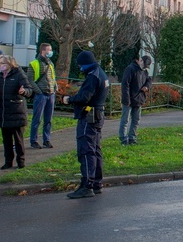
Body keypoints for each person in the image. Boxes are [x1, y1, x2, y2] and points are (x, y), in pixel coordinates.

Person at [63, 50, 109, 198]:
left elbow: (84, 97)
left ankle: (87, 185)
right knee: (95, 149)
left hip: (89, 115)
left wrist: (69, 99)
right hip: (97, 113)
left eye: (81, 66)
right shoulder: (100, 73)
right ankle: (97, 183)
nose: (80, 69)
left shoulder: (92, 77)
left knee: (86, 150)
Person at [0, 55, 34, 170]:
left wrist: (24, 91)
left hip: (16, 111)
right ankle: (8, 161)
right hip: (3, 111)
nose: (0, 65)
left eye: (2, 63)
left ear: (9, 64)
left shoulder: (19, 74)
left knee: (18, 139)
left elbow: (29, 90)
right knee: (6, 139)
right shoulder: (0, 77)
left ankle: (21, 161)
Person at [28, 43, 57, 149]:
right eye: (49, 50)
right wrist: (38, 91)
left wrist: (55, 87)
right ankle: (33, 140)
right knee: (37, 119)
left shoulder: (50, 63)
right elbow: (30, 80)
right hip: (41, 94)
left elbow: (53, 77)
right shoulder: (34, 63)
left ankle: (46, 139)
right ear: (43, 51)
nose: (51, 52)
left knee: (48, 119)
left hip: (50, 94)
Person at [119, 55, 151, 145]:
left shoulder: (145, 71)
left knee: (136, 120)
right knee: (125, 120)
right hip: (129, 99)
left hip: (138, 99)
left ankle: (132, 137)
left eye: (146, 67)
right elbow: (125, 85)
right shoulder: (130, 69)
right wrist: (126, 100)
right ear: (140, 61)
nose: (145, 68)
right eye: (144, 66)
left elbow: (149, 80)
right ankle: (123, 138)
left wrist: (147, 86)